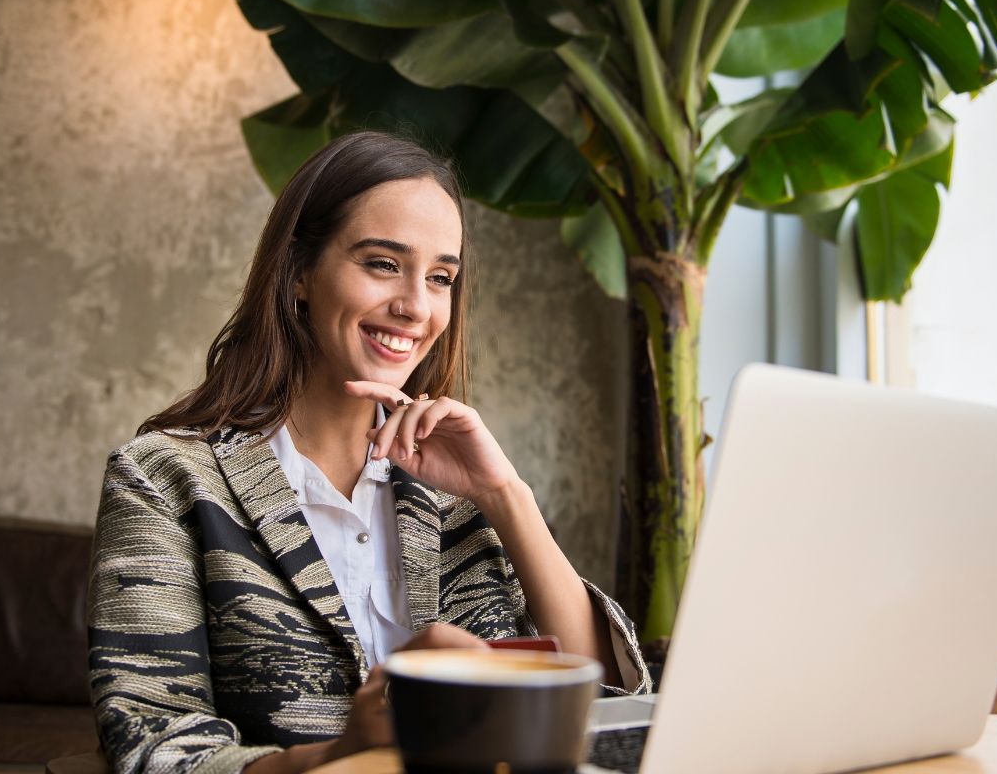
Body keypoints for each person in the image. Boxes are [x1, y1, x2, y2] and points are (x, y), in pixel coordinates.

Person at [87, 131, 650, 774]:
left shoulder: (449, 493)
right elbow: (155, 747)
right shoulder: (164, 480)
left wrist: (505, 496)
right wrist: (347, 750)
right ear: (298, 272)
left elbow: (598, 704)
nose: (416, 306)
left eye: (441, 277)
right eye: (383, 263)